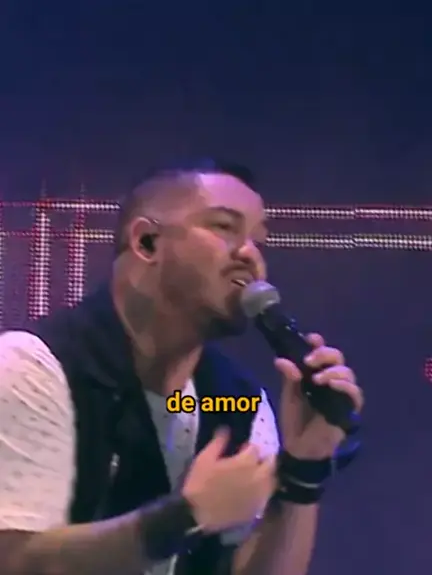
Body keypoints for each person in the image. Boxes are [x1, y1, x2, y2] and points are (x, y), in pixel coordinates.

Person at [0, 160, 363, 575]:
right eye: (225, 228)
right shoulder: (31, 369)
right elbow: (14, 562)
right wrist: (183, 517)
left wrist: (303, 472)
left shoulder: (238, 402)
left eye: (258, 240)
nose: (250, 255)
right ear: (147, 242)